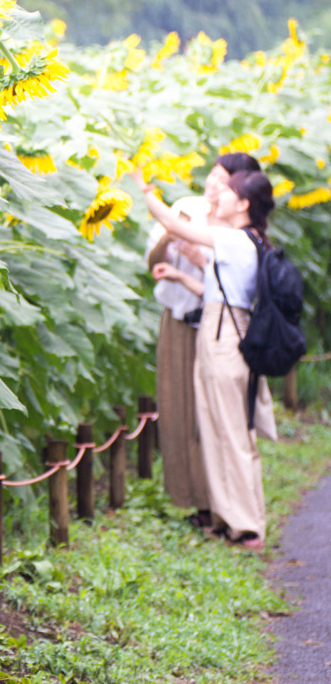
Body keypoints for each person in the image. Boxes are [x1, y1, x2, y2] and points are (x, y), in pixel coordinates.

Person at [132, 152, 276, 552]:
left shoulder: (233, 238)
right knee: (224, 431)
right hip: (228, 331)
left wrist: (145, 189)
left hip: (222, 339)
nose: (218, 193)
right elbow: (216, 292)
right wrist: (182, 273)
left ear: (244, 203)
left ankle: (245, 527)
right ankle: (236, 522)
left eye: (227, 188)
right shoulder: (254, 240)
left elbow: (173, 223)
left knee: (229, 433)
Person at [145, 164, 229, 528]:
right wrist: (170, 231)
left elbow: (236, 282)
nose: (213, 185)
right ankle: (193, 500)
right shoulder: (183, 207)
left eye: (224, 182)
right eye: (212, 176)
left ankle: (219, 501)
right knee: (177, 408)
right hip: (177, 321)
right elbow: (152, 264)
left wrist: (200, 259)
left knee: (209, 413)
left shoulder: (234, 227)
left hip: (214, 324)